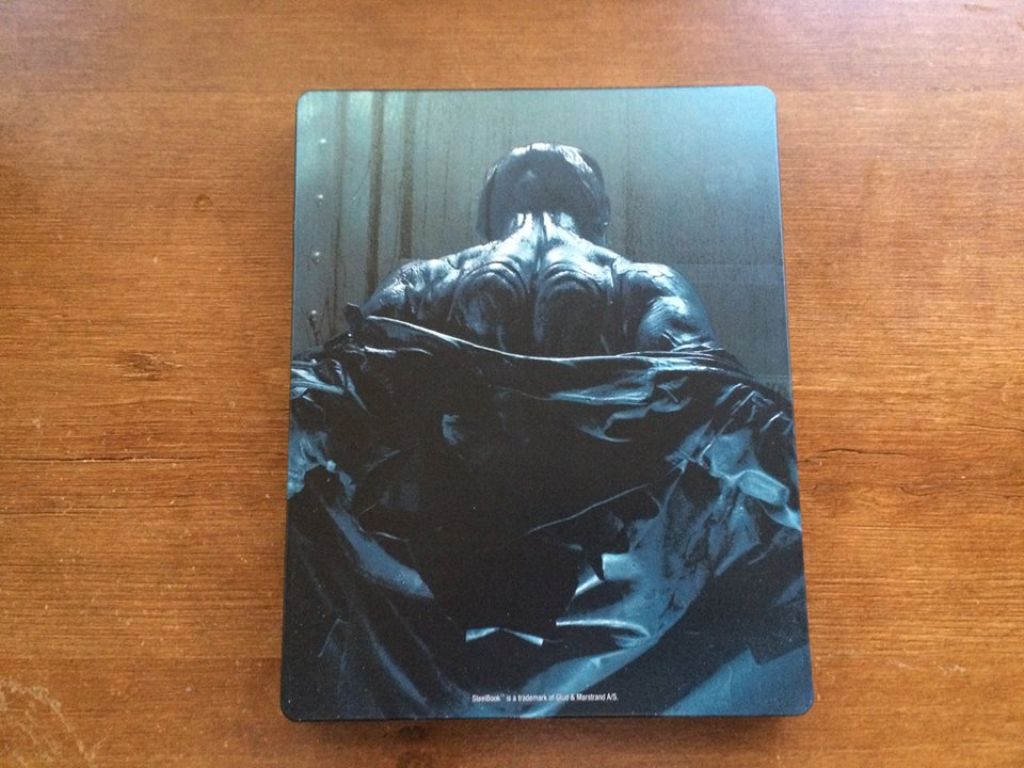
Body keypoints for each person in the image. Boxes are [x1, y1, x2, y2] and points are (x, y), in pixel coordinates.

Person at [361, 143, 718, 357]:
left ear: (485, 219)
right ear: (600, 214)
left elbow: (349, 377)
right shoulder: (649, 283)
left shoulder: (421, 281)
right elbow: (702, 392)